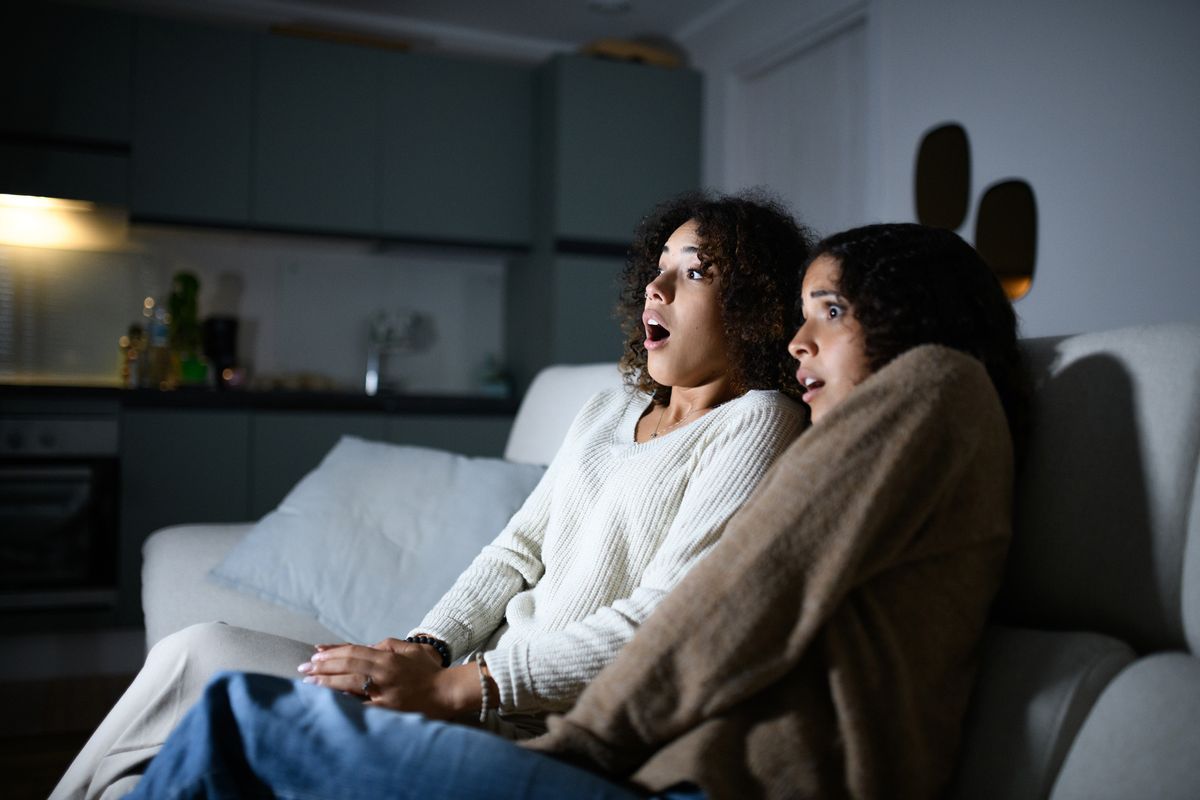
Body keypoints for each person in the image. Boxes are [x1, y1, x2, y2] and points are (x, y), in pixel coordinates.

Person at [124, 222, 1027, 800]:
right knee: (213, 684)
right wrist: (436, 655)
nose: (799, 342)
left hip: (656, 779)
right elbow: (530, 552)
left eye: (828, 312)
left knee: (240, 718)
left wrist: (521, 720)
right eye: (801, 315)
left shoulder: (933, 389)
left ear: (908, 314)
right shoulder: (863, 431)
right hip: (619, 756)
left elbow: (729, 601)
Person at [52, 191, 812, 800]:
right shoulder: (612, 406)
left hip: (531, 726)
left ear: (755, 308)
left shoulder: (757, 423)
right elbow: (517, 551)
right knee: (196, 653)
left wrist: (459, 689)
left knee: (222, 713)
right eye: (659, 265)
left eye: (696, 272)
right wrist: (425, 648)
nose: (657, 284)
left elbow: (661, 623)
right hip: (465, 686)